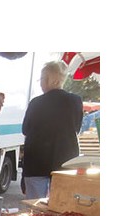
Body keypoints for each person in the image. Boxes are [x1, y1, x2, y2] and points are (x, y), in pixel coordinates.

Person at [21, 61, 83, 199]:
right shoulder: (75, 101)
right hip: (65, 163)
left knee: (35, 209)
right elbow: (76, 129)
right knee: (61, 206)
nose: (40, 83)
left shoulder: (36, 103)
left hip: (36, 163)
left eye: (41, 79)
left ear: (48, 79)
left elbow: (25, 129)